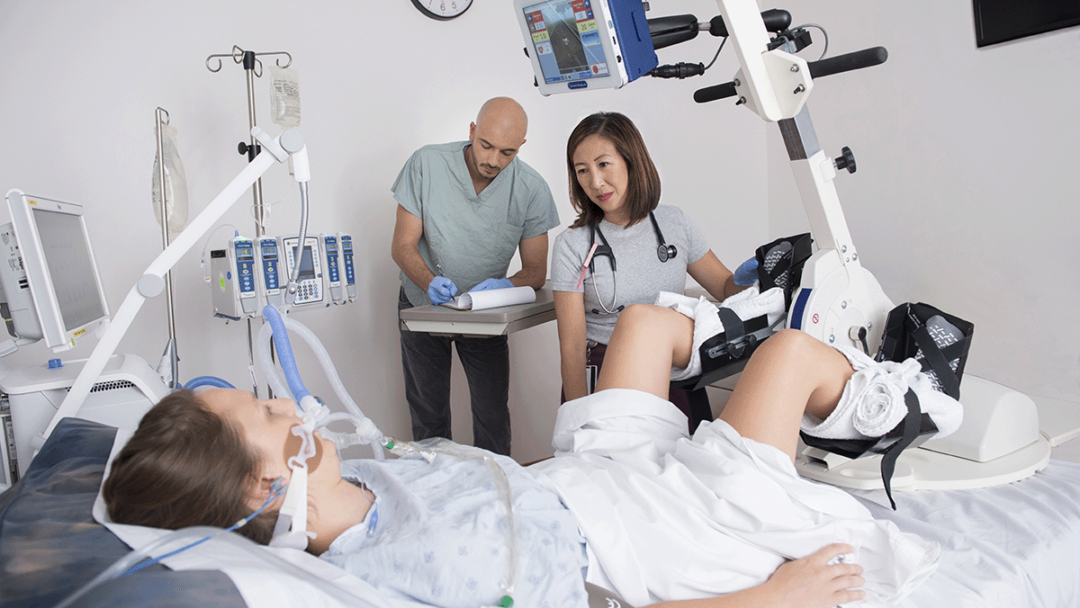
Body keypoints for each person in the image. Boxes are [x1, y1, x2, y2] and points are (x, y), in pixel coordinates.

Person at [104, 307, 908, 608]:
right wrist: (775, 598)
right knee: (792, 352)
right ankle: (902, 403)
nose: (286, 402)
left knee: (642, 323)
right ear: (268, 483)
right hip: (650, 532)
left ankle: (794, 367)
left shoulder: (360, 481)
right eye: (265, 412)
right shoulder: (421, 566)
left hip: (584, 478)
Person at [551, 112, 757, 432]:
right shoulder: (573, 245)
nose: (595, 182)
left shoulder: (675, 223)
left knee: (677, 471)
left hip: (674, 369)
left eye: (604, 164)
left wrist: (748, 278)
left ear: (632, 160)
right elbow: (573, 346)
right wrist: (580, 422)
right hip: (608, 373)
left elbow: (725, 287)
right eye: (582, 171)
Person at [390, 97, 560, 456]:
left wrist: (504, 286)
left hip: (484, 314)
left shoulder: (530, 189)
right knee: (428, 414)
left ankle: (497, 495)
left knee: (492, 414)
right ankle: (437, 496)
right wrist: (427, 281)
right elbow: (402, 246)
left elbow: (535, 272)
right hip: (424, 305)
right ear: (472, 131)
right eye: (486, 146)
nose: (493, 161)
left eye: (507, 153)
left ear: (521, 148)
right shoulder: (427, 164)